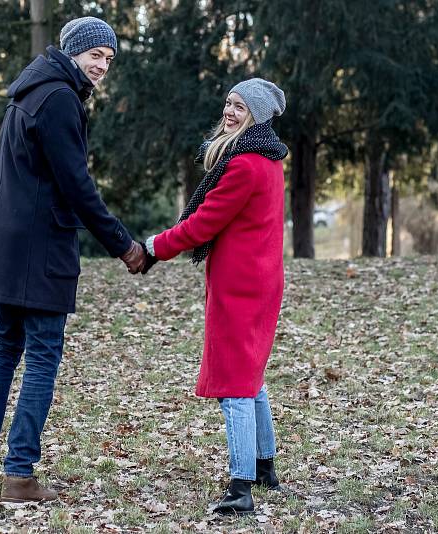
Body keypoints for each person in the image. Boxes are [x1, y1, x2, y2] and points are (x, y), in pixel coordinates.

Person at [0, 16, 146, 507]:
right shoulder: (60, 97)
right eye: (96, 55)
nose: (102, 65)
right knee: (42, 355)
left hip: (9, 242)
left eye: (109, 59)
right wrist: (123, 244)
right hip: (40, 246)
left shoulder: (28, 91)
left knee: (5, 350)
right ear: (74, 51)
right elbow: (76, 185)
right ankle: (19, 476)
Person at [142, 78, 288, 515]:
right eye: (228, 102)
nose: (230, 111)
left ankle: (241, 488)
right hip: (259, 281)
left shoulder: (245, 165)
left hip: (241, 287)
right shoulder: (269, 159)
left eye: (240, 106)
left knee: (235, 387)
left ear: (256, 116)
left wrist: (152, 248)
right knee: (252, 377)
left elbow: (203, 224)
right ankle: (264, 468)